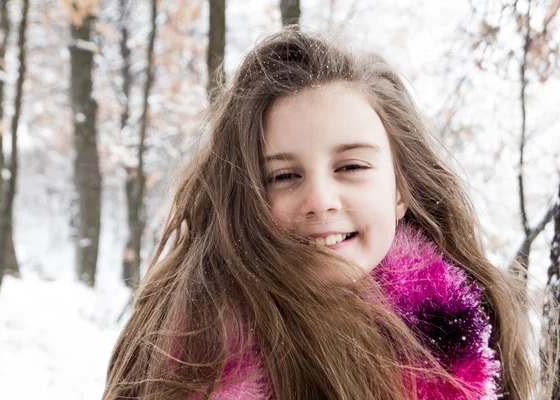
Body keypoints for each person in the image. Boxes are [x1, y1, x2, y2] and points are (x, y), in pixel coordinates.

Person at [102, 29, 553, 399]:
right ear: (245, 198)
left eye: (351, 167)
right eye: (282, 176)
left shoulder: (463, 327)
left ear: (402, 190)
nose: (320, 200)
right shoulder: (199, 350)